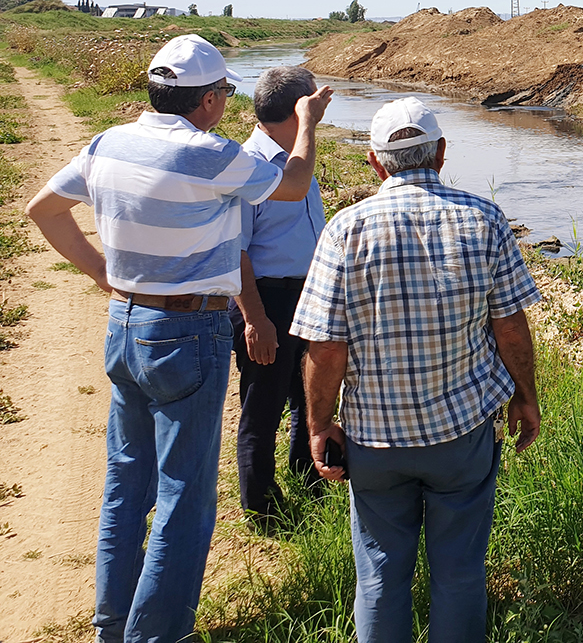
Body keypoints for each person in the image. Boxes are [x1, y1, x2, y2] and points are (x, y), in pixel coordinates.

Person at [25, 35, 332, 643]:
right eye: (222, 93)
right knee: (184, 495)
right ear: (211, 100)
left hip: (126, 325)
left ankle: (113, 625)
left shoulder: (107, 143)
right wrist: (307, 123)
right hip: (188, 331)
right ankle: (158, 634)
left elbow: (43, 209)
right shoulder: (208, 154)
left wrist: (108, 278)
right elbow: (294, 182)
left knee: (126, 485)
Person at [291, 96, 541, 643]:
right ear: (442, 154)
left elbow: (326, 349)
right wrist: (526, 397)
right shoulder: (485, 219)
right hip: (462, 435)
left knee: (380, 573)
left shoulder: (344, 230)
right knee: (459, 571)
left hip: (376, 441)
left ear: (376, 163)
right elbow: (511, 329)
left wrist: (317, 424)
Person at [232, 65, 327, 529]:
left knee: (308, 399)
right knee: (262, 405)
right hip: (267, 300)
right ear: (298, 109)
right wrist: (255, 320)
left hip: (306, 295)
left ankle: (309, 484)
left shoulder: (298, 157)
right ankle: (262, 511)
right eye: (313, 103)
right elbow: (236, 252)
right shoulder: (249, 166)